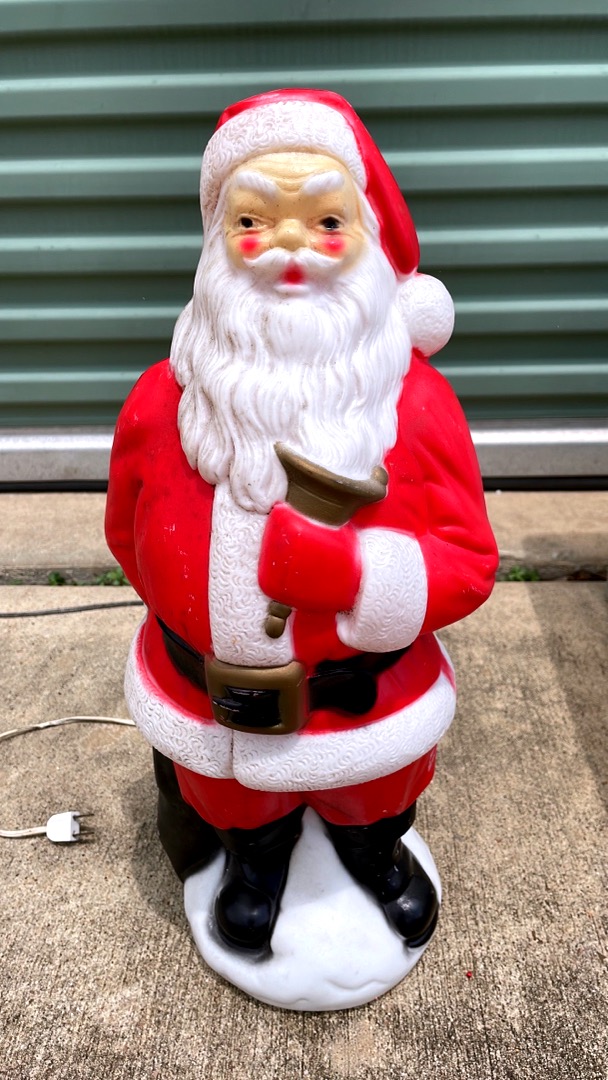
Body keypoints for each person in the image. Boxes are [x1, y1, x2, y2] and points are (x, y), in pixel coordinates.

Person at [105, 88, 498, 956]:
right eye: (252, 221)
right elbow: (124, 530)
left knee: (376, 790)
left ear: (366, 240)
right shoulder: (161, 403)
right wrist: (185, 607)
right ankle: (255, 861)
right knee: (234, 798)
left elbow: (470, 559)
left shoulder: (416, 408)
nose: (289, 245)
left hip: (361, 704)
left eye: (326, 222)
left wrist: (360, 580)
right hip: (211, 699)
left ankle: (374, 850)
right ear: (217, 243)